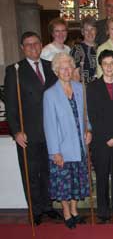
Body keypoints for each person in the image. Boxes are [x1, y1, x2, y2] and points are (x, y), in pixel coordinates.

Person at [4, 31, 60, 226]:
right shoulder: (15, 70)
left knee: (48, 172)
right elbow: (11, 106)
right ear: (22, 48)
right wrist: (16, 131)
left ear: (41, 44)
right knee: (30, 173)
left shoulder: (49, 67)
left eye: (36, 43)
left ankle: (48, 206)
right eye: (28, 45)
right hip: (28, 133)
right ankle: (35, 210)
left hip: (50, 132)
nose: (33, 47)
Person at [43, 53, 91, 229]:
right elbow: (49, 125)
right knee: (64, 183)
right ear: (56, 71)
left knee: (76, 180)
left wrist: (89, 130)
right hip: (62, 147)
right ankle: (66, 212)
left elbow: (86, 115)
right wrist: (54, 151)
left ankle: (74, 210)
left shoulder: (79, 88)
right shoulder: (50, 94)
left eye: (69, 67)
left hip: (79, 145)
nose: (66, 70)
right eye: (62, 68)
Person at [87, 50, 113, 224]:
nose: (109, 66)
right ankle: (103, 213)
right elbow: (93, 115)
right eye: (106, 63)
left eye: (112, 63)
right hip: (100, 141)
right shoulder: (92, 87)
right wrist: (106, 138)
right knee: (103, 177)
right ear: (101, 65)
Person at [70, 16, 97, 84]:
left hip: (100, 88)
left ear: (96, 31)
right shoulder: (76, 49)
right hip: (83, 89)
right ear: (82, 32)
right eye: (86, 30)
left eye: (92, 29)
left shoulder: (101, 48)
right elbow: (73, 74)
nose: (90, 32)